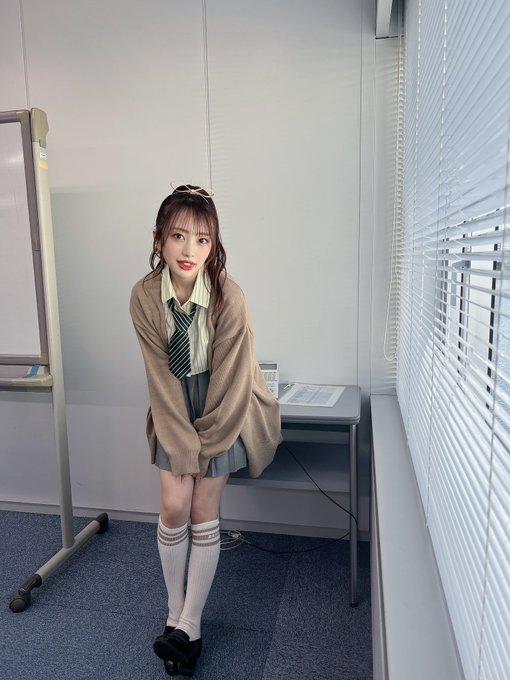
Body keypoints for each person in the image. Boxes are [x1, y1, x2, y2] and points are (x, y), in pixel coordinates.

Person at [129, 185, 282, 677]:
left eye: (202, 239)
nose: (189, 250)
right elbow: (160, 379)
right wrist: (183, 448)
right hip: (173, 406)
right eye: (178, 236)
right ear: (159, 239)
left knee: (201, 507)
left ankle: (189, 627)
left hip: (225, 406)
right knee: (174, 504)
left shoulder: (229, 298)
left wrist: (206, 448)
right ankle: (175, 615)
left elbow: (233, 384)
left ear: (214, 245)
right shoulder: (143, 296)